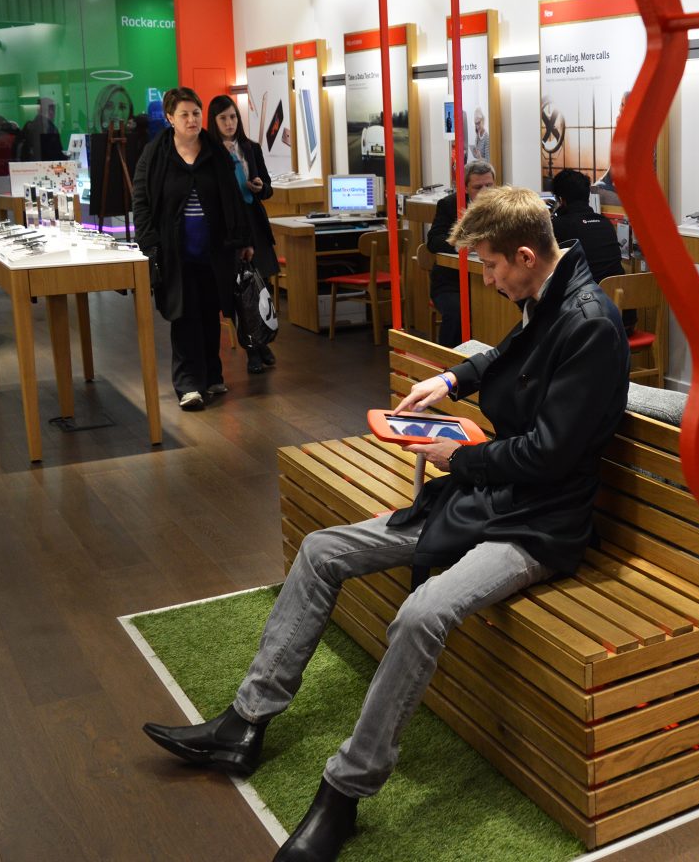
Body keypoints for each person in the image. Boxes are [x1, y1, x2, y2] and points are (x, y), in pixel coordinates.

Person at [142, 185, 630, 862]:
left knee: (422, 613)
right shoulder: (550, 293)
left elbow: (550, 455)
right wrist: (453, 383)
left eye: (489, 266)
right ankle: (244, 723)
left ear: (524, 255)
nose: (485, 279)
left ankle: (343, 794)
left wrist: (462, 457)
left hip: (538, 525)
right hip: (491, 497)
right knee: (320, 549)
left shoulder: (590, 324)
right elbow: (511, 352)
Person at [130, 87, 253, 411]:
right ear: (170, 118)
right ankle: (188, 385)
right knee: (184, 317)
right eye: (184, 114)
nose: (191, 119)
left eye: (196, 113)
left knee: (211, 315)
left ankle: (212, 375)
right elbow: (141, 202)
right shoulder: (155, 155)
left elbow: (233, 197)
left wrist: (243, 240)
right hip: (175, 253)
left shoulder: (215, 152)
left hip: (215, 252)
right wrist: (149, 244)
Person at [209, 94, 278, 374]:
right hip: (228, 229)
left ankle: (262, 341)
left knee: (260, 287)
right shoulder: (210, 152)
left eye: (233, 117)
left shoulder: (251, 147)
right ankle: (252, 348)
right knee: (238, 291)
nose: (229, 123)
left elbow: (269, 188)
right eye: (223, 118)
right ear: (214, 121)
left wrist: (260, 187)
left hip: (254, 224)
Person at [549, 167, 635, 332]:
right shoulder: (605, 224)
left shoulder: (559, 226)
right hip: (625, 320)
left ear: (561, 200)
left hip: (591, 325)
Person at [426, 159, 494, 347]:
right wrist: (463, 245)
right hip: (451, 282)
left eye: (489, 185)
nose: (485, 192)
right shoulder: (449, 205)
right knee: (457, 311)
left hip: (491, 279)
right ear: (464, 188)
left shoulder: (501, 205)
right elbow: (433, 241)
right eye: (478, 187)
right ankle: (449, 361)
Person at [19, 97, 65, 161]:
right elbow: (55, 154)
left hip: (30, 167)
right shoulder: (49, 128)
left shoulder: (29, 126)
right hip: (45, 167)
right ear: (51, 111)